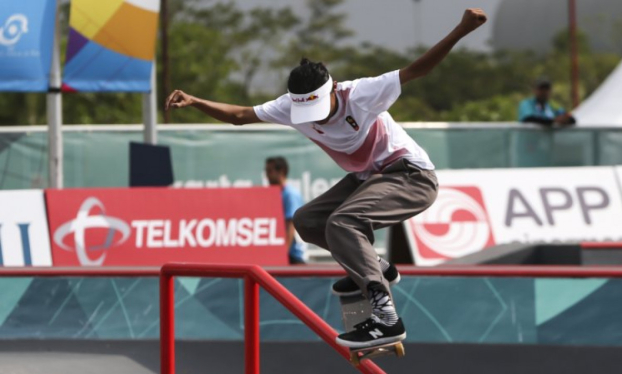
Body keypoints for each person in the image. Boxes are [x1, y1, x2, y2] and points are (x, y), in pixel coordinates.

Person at [165, 8, 487, 349]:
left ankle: (387, 320)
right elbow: (241, 116)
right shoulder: (289, 106)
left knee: (344, 222)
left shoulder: (361, 93)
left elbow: (416, 70)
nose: (316, 119)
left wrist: (461, 29)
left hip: (410, 175)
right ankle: (378, 269)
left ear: (333, 88)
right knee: (308, 221)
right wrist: (196, 100)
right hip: (368, 178)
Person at [265, 156, 307, 265]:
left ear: (281, 171)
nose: (267, 175)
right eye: (266, 171)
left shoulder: (290, 194)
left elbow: (291, 226)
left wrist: (283, 255)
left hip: (293, 256)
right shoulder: (277, 193)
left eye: (270, 171)